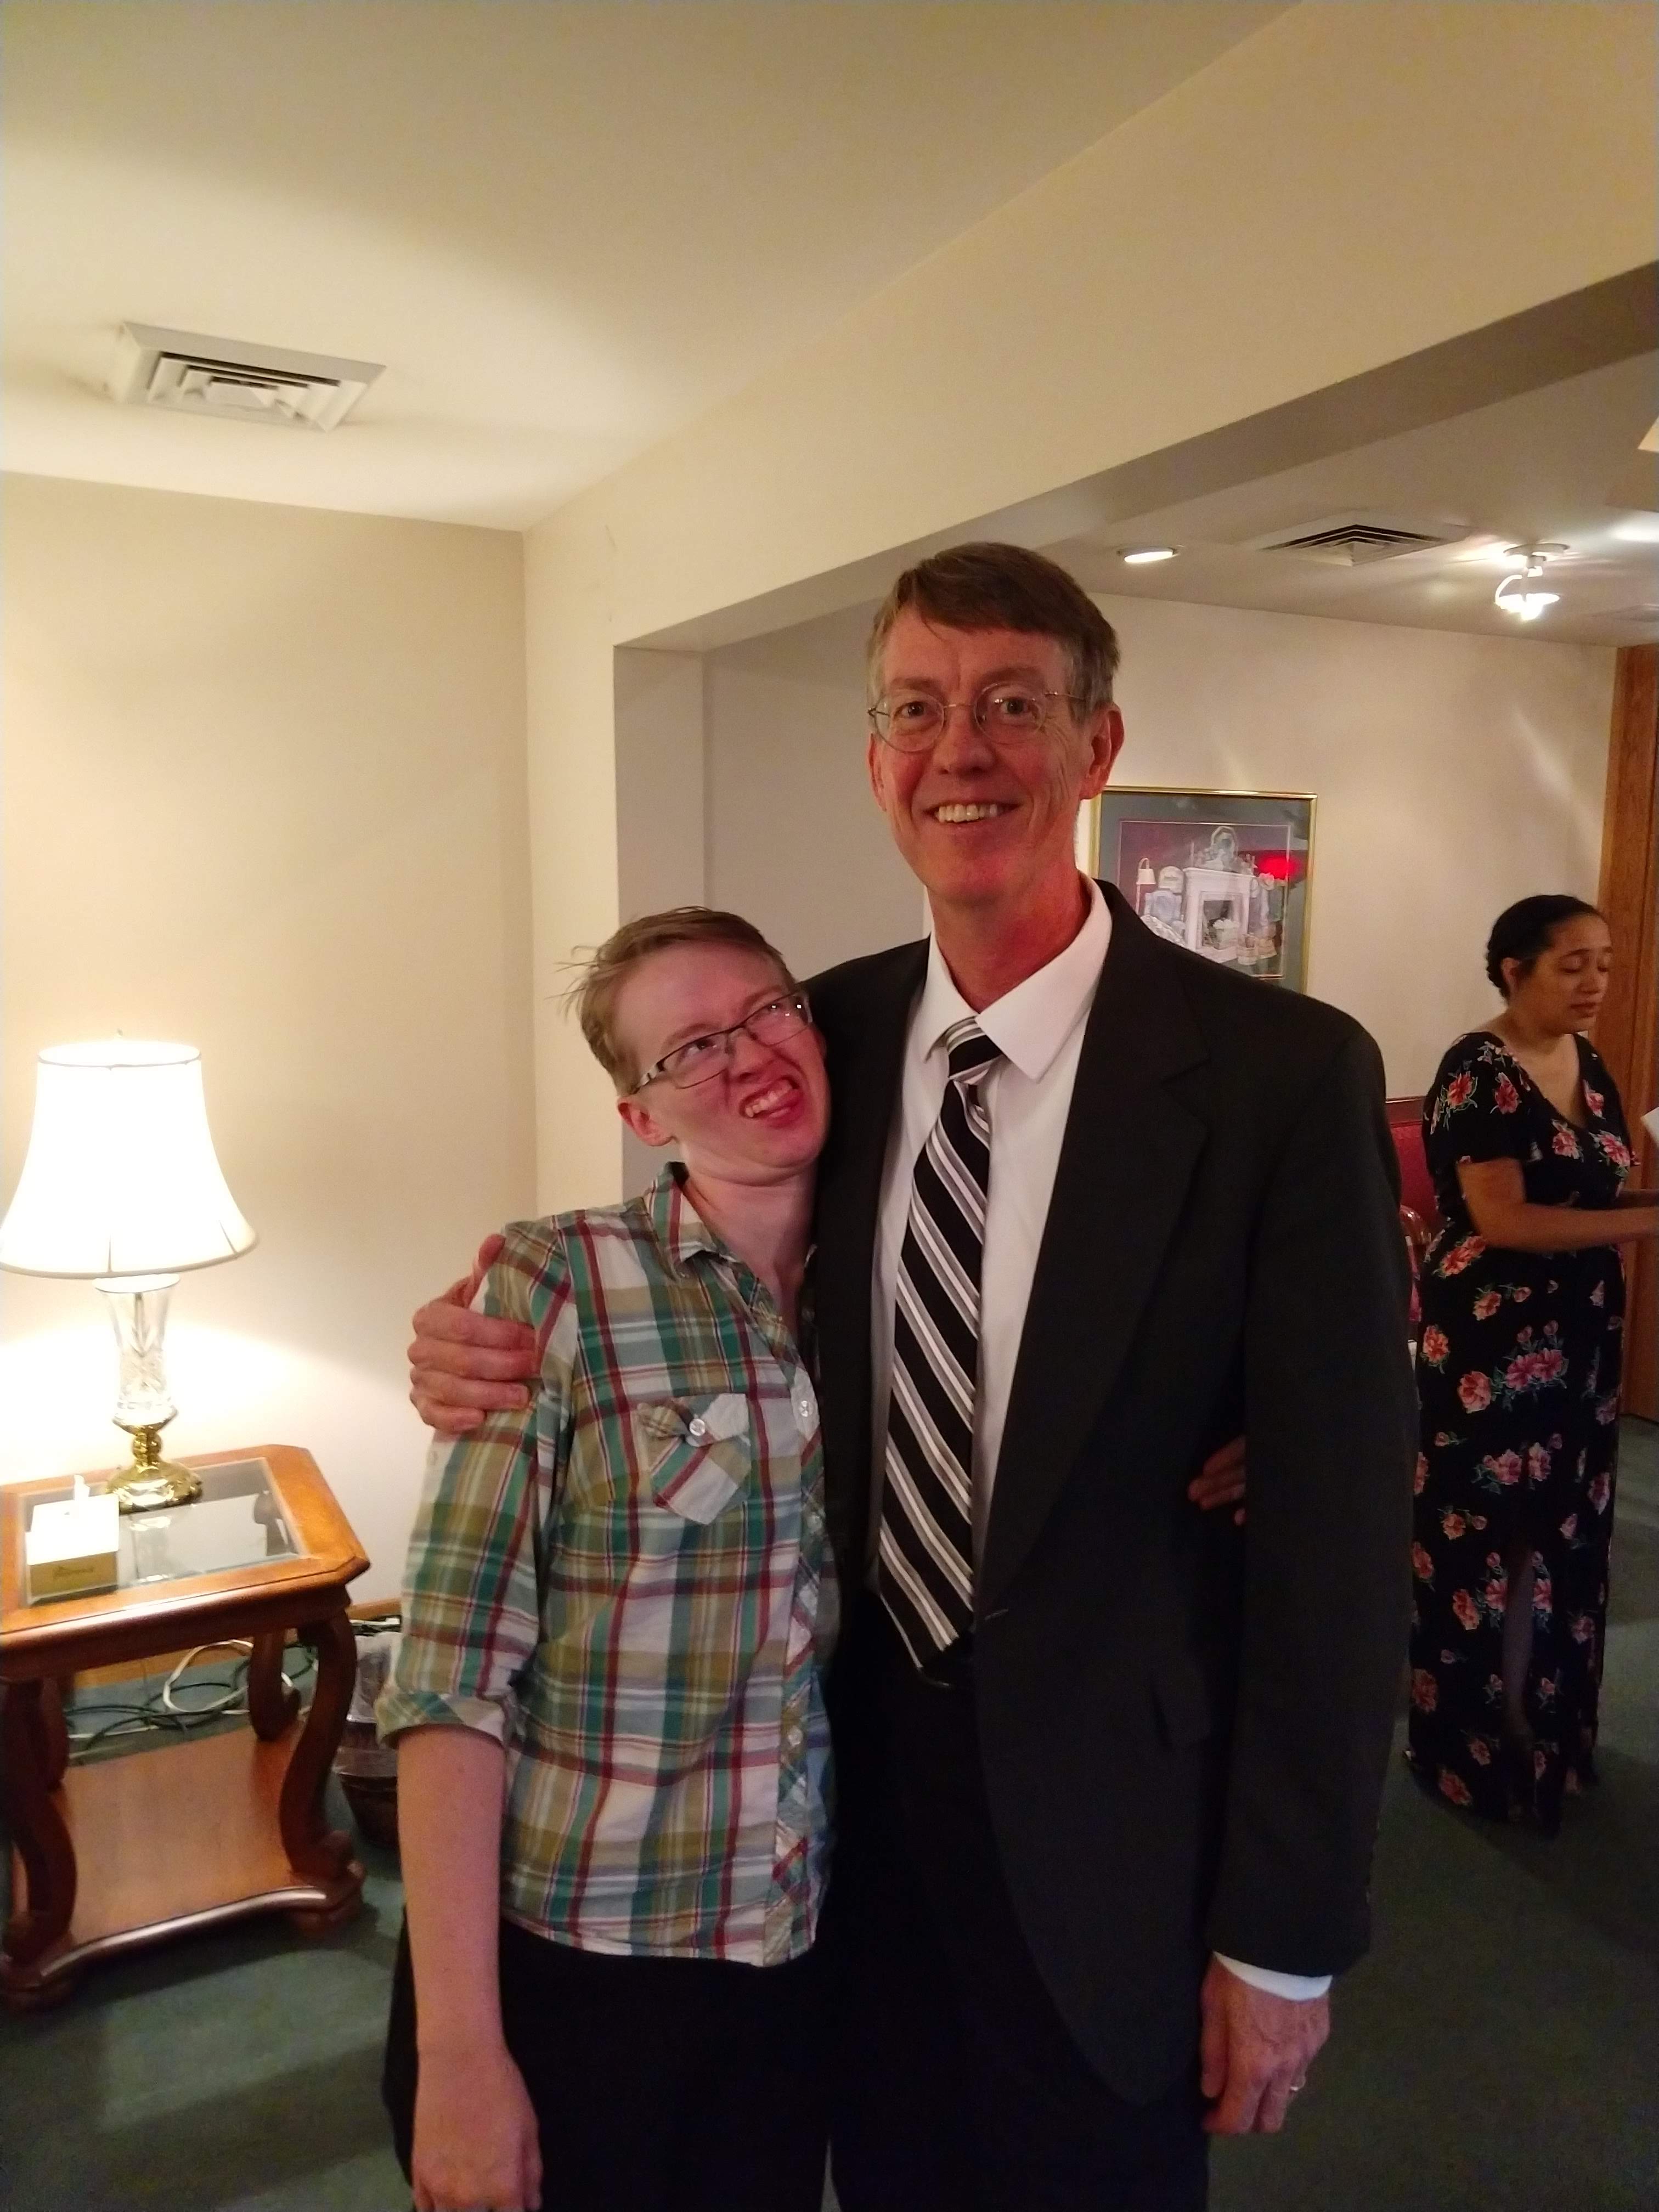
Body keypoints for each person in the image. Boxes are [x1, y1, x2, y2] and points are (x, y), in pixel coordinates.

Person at [409, 544, 1415, 2210]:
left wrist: (1286, 1937)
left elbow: (1342, 1536)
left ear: (1095, 745)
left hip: (1120, 1846)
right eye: (915, 710)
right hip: (839, 1843)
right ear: (876, 760)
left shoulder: (1280, 1074)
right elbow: (699, 1269)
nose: (962, 750)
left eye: (1014, 704)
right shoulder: (832, 1037)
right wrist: (474, 1339)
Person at [379, 909, 841, 2212]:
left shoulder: (894, 1293)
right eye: (691, 1048)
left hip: (790, 1950)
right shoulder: (557, 1283)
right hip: (582, 1956)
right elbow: (450, 1680)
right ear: (644, 1117)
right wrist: (460, 2054)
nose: (747, 1055)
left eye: (767, 1010)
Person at [1407, 895, 1659, 1834]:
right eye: (1573, 964)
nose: (1596, 983)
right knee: (1487, 1538)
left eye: (1605, 962)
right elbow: (1503, 1219)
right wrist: (1651, 1222)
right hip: (1493, 1341)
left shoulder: (1586, 1060)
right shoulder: (1477, 1069)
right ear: (1514, 970)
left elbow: (1589, 1192)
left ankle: (1541, 1727)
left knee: (1560, 1534)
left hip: (1579, 1333)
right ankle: (1477, 1742)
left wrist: (1646, 1205)